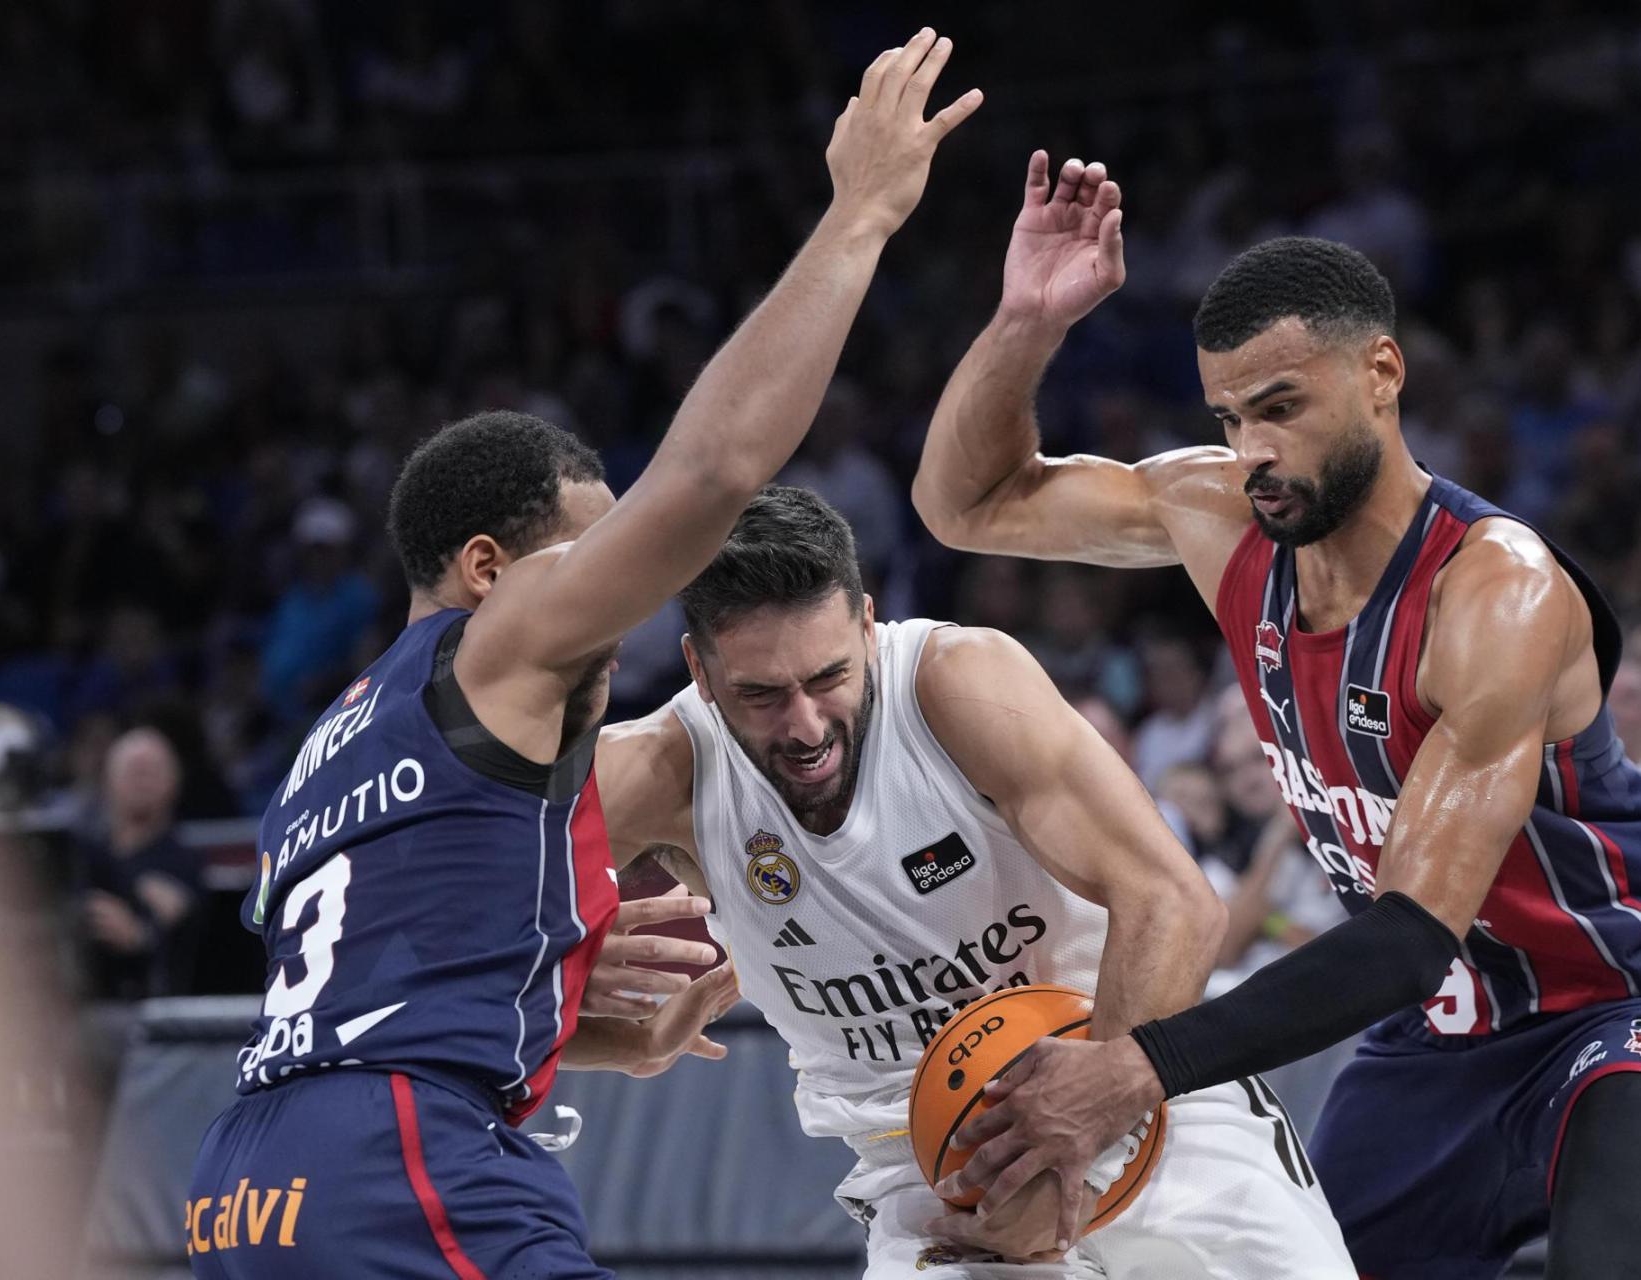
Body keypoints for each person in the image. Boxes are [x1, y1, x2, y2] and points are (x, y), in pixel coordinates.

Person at [186, 31, 984, 1279]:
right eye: (589, 550)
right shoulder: (494, 644)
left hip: (243, 1180)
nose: (624, 579)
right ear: (491, 568)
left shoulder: (333, 739)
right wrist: (860, 214)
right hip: (401, 1148)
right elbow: (715, 472)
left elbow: (388, 988)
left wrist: (582, 1016)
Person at [911, 153, 1641, 1277]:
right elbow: (964, 504)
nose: (1252, 448)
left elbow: (1403, 938)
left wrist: (1136, 1064)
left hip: (1605, 1012)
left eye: (1281, 407)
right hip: (1433, 1040)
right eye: (1230, 414)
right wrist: (1025, 321)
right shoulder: (1218, 518)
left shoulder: (1497, 593)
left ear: (1382, 373)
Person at [598, 486, 1354, 1278]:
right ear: (699, 671)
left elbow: (1174, 903)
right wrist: (621, 1044)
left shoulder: (960, 687)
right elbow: (461, 959)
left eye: (828, 678)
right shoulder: (656, 772)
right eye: (761, 695)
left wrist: (1076, 1137)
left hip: (1143, 1090)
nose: (806, 726)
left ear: (866, 622)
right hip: (931, 1169)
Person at [74, 726, 205, 998]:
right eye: (133, 770)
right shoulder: (81, 856)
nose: (141, 780)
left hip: (152, 1008)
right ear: (107, 779)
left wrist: (140, 937)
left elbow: (180, 931)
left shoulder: (184, 864)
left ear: (175, 781)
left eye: (151, 771)